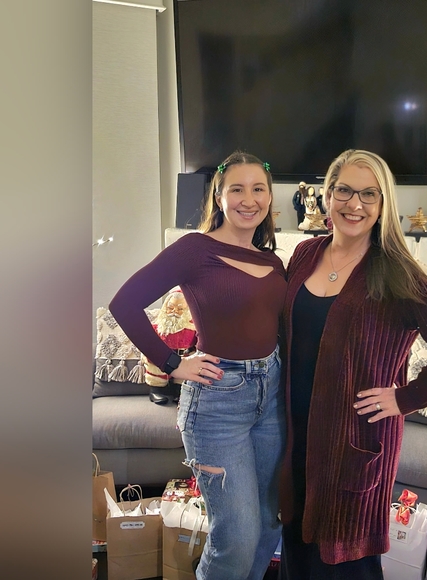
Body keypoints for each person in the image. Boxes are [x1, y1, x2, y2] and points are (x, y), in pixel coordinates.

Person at [278, 149, 427, 579]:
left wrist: (405, 398)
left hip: (353, 441)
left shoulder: (394, 271)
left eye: (369, 194)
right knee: (296, 553)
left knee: (347, 563)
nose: (355, 204)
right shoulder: (305, 254)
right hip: (297, 437)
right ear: (327, 195)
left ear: (383, 203)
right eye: (344, 191)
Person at [109, 151, 287, 580]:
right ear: (219, 197)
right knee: (236, 537)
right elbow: (125, 303)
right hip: (217, 404)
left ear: (269, 197)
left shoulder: (272, 261)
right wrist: (172, 363)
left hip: (272, 397)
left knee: (268, 524)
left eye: (258, 189)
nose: (249, 199)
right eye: (237, 189)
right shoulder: (195, 249)